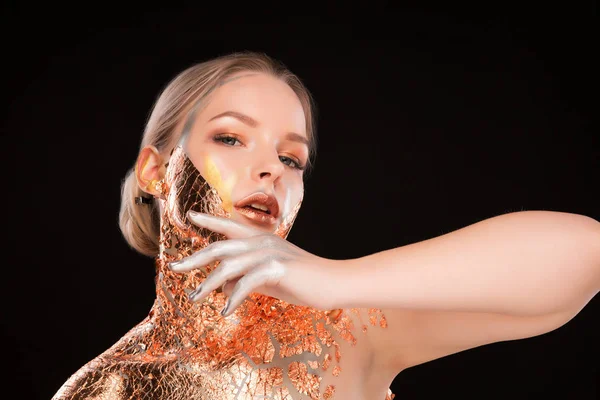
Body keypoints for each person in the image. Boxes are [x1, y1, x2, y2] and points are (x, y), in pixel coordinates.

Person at [52, 51, 600, 400]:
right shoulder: (107, 387)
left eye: (291, 158)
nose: (271, 168)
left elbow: (586, 252)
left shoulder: (339, 329)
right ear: (156, 171)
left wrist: (333, 280)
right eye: (230, 138)